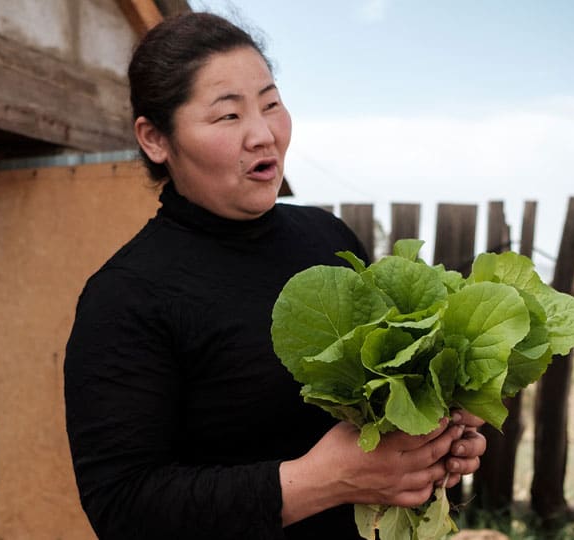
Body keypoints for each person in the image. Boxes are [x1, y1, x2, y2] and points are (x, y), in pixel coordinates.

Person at [64, 12, 487, 539]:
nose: (263, 134)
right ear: (155, 139)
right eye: (228, 117)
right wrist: (323, 481)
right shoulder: (126, 296)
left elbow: (385, 399)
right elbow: (125, 508)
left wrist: (435, 436)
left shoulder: (328, 238)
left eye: (270, 104)